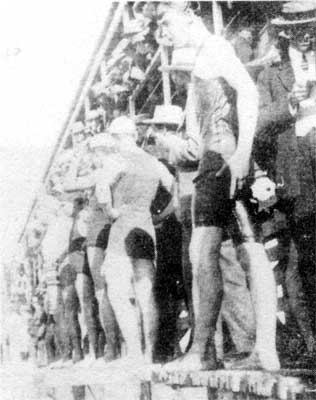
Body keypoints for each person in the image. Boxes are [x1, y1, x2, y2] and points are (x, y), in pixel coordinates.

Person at [156, 4, 279, 371]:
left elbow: (249, 93)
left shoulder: (214, 48)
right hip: (223, 155)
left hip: (221, 156)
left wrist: (242, 152)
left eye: (166, 22)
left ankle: (204, 352)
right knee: (248, 246)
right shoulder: (206, 58)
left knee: (206, 250)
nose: (162, 32)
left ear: (190, 15)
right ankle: (263, 350)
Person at [142, 104, 256, 360]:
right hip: (192, 216)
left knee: (224, 273)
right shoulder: (176, 147)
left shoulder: (187, 140)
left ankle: (243, 344)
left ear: (171, 127)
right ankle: (209, 350)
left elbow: (195, 154)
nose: (156, 131)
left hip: (205, 212)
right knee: (198, 279)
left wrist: (167, 142)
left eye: (160, 127)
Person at [255, 1, 316, 356]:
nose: (307, 35)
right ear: (286, 32)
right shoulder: (270, 74)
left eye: (313, 27)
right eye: (300, 29)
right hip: (299, 174)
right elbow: (259, 124)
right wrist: (289, 106)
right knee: (308, 258)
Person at [95, 116, 174, 365]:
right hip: (146, 228)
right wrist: (162, 214)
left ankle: (136, 353)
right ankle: (150, 353)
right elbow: (175, 189)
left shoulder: (116, 160)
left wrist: (110, 212)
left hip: (121, 230)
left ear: (117, 138)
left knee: (117, 292)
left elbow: (101, 190)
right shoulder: (152, 161)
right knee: (146, 293)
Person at [62, 134, 121, 362]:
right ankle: (125, 347)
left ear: (97, 153)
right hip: (118, 229)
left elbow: (68, 184)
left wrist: (77, 157)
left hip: (98, 234)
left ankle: (112, 349)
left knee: (101, 290)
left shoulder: (100, 173)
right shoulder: (122, 165)